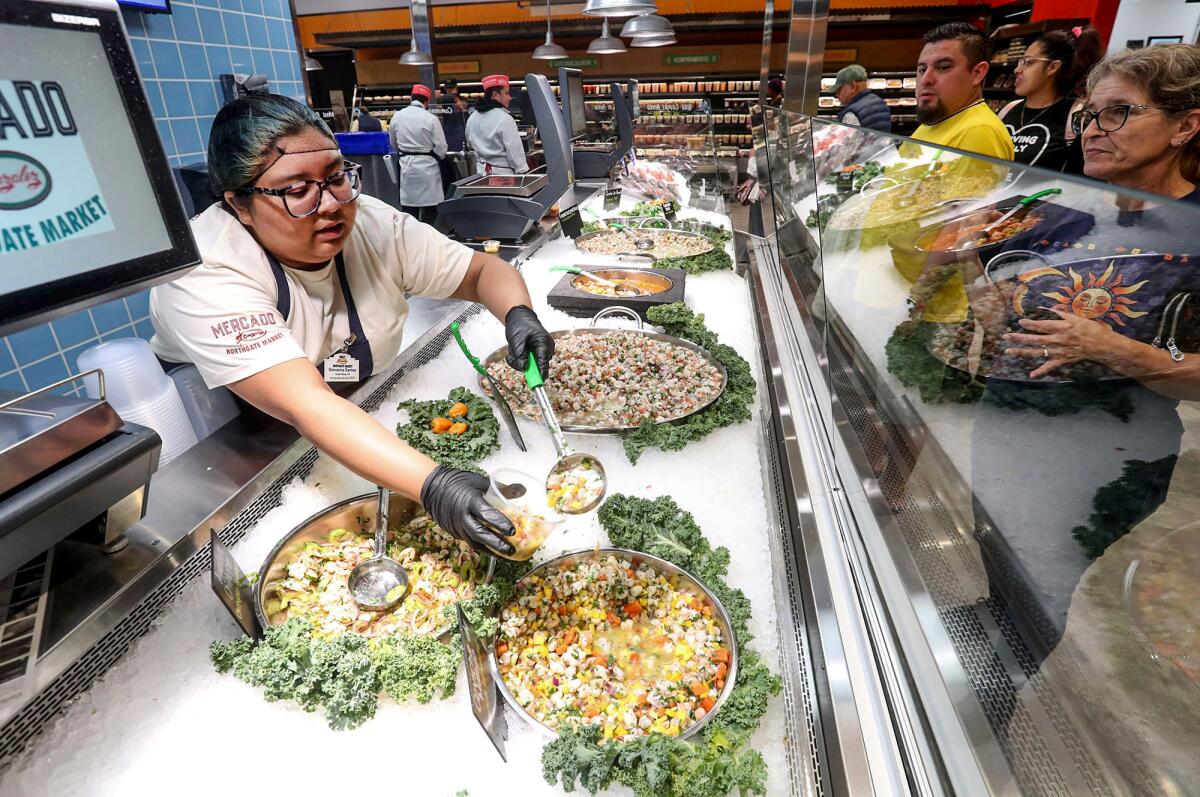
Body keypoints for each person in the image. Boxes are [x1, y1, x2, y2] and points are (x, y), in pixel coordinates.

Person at [150, 94, 557, 556]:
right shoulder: (205, 267)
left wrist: (518, 312)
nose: (329, 205)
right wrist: (433, 484)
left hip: (348, 418)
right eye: (296, 190)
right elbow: (307, 405)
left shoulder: (371, 225)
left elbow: (483, 272)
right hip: (235, 446)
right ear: (239, 204)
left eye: (336, 178)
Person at [963, 44, 1200, 644]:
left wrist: (1118, 349)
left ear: (1185, 125)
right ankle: (994, 631)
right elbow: (1008, 306)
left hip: (1104, 451)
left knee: (1041, 587)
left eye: (1119, 113)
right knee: (1000, 561)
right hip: (1009, 425)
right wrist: (978, 281)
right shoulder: (1068, 202)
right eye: (1090, 115)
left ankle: (1000, 686)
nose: (1094, 131)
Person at [998, 26, 1102, 170]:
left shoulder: (1076, 115)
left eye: (1028, 62)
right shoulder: (1008, 109)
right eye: (1020, 62)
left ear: (1052, 67)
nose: (1017, 70)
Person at [912, 21, 1014, 160]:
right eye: (922, 69)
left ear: (977, 73)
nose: (925, 79)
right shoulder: (936, 122)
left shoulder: (979, 133)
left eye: (943, 67)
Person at [388, 84, 446, 224]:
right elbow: (441, 148)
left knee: (409, 209)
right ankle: (428, 235)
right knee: (431, 208)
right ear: (426, 102)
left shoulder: (397, 116)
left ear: (411, 98)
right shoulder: (431, 118)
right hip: (428, 167)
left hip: (406, 166)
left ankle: (410, 238)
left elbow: (393, 143)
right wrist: (439, 156)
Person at [465, 74, 528, 175]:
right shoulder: (505, 119)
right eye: (507, 93)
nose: (510, 98)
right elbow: (515, 152)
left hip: (481, 174)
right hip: (504, 175)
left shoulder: (472, 118)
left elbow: (470, 145)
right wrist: (523, 172)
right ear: (495, 94)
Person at [833, 64, 892, 132]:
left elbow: (849, 141)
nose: (836, 94)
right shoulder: (880, 102)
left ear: (853, 87)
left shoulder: (852, 114)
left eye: (839, 89)